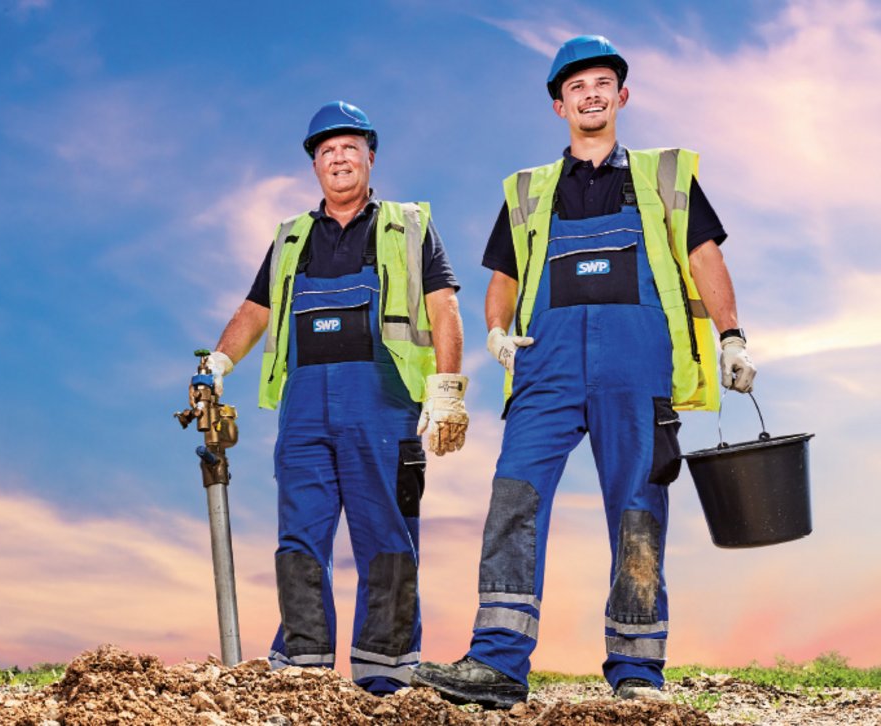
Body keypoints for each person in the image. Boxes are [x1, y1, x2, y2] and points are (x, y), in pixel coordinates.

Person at [411, 36, 757, 708]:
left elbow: (705, 255)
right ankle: (498, 663)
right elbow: (503, 276)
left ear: (621, 96)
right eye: (577, 87)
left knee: (636, 509)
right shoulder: (528, 190)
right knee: (514, 498)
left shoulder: (664, 175)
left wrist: (732, 336)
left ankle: (637, 670)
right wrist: (495, 330)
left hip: (638, 363)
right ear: (558, 105)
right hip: (546, 364)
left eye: (603, 83)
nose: (591, 95)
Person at [202, 100, 468, 694]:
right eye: (326, 151)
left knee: (387, 535)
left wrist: (446, 388)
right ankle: (303, 670)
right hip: (304, 413)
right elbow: (256, 309)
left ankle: (386, 673)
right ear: (315, 166)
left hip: (382, 402)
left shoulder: (407, 224)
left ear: (370, 157)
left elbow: (443, 306)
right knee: (299, 537)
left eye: (349, 148)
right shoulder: (292, 238)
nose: (339, 158)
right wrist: (219, 361)